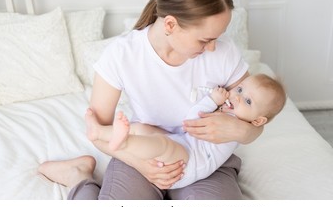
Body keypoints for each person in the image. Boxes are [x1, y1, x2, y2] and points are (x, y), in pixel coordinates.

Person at [38, 0, 267, 200]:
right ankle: (78, 176)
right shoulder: (122, 54)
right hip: (144, 150)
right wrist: (139, 164)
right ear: (170, 24)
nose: (213, 47)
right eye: (205, 40)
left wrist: (241, 130)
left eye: (217, 38)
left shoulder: (224, 52)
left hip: (205, 159)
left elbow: (256, 121)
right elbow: (98, 131)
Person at [86, 74, 286, 189]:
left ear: (258, 120)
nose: (238, 98)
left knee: (161, 145)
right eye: (240, 90)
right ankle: (101, 132)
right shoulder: (227, 111)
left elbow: (190, 122)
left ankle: (125, 142)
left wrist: (211, 102)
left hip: (190, 164)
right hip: (184, 143)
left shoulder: (233, 125)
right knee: (143, 129)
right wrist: (214, 103)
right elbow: (189, 122)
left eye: (248, 101)